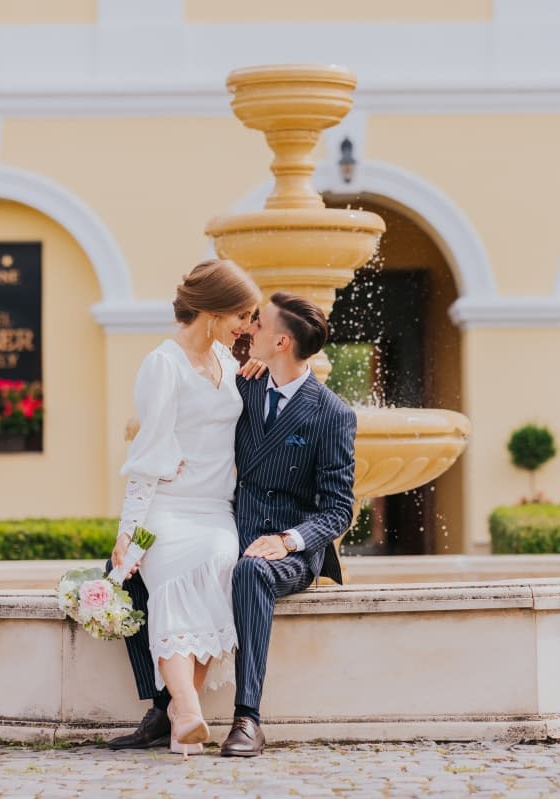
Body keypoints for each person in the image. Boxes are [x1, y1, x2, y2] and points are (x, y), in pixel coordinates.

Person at [107, 290, 357, 758]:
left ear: (281, 343)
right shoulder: (243, 384)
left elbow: (339, 509)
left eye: (259, 323)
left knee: (247, 571)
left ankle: (248, 718)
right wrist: (174, 463)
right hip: (225, 524)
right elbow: (198, 417)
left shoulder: (332, 414)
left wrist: (288, 540)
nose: (249, 329)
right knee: (122, 567)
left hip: (290, 549)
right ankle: (167, 708)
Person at [106, 259, 262, 756]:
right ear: (213, 309)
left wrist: (262, 370)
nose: (246, 324)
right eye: (241, 313)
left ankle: (179, 715)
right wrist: (129, 530)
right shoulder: (163, 363)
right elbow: (149, 453)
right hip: (168, 510)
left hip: (216, 509)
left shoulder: (230, 362)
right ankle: (190, 712)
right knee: (173, 583)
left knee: (219, 564)